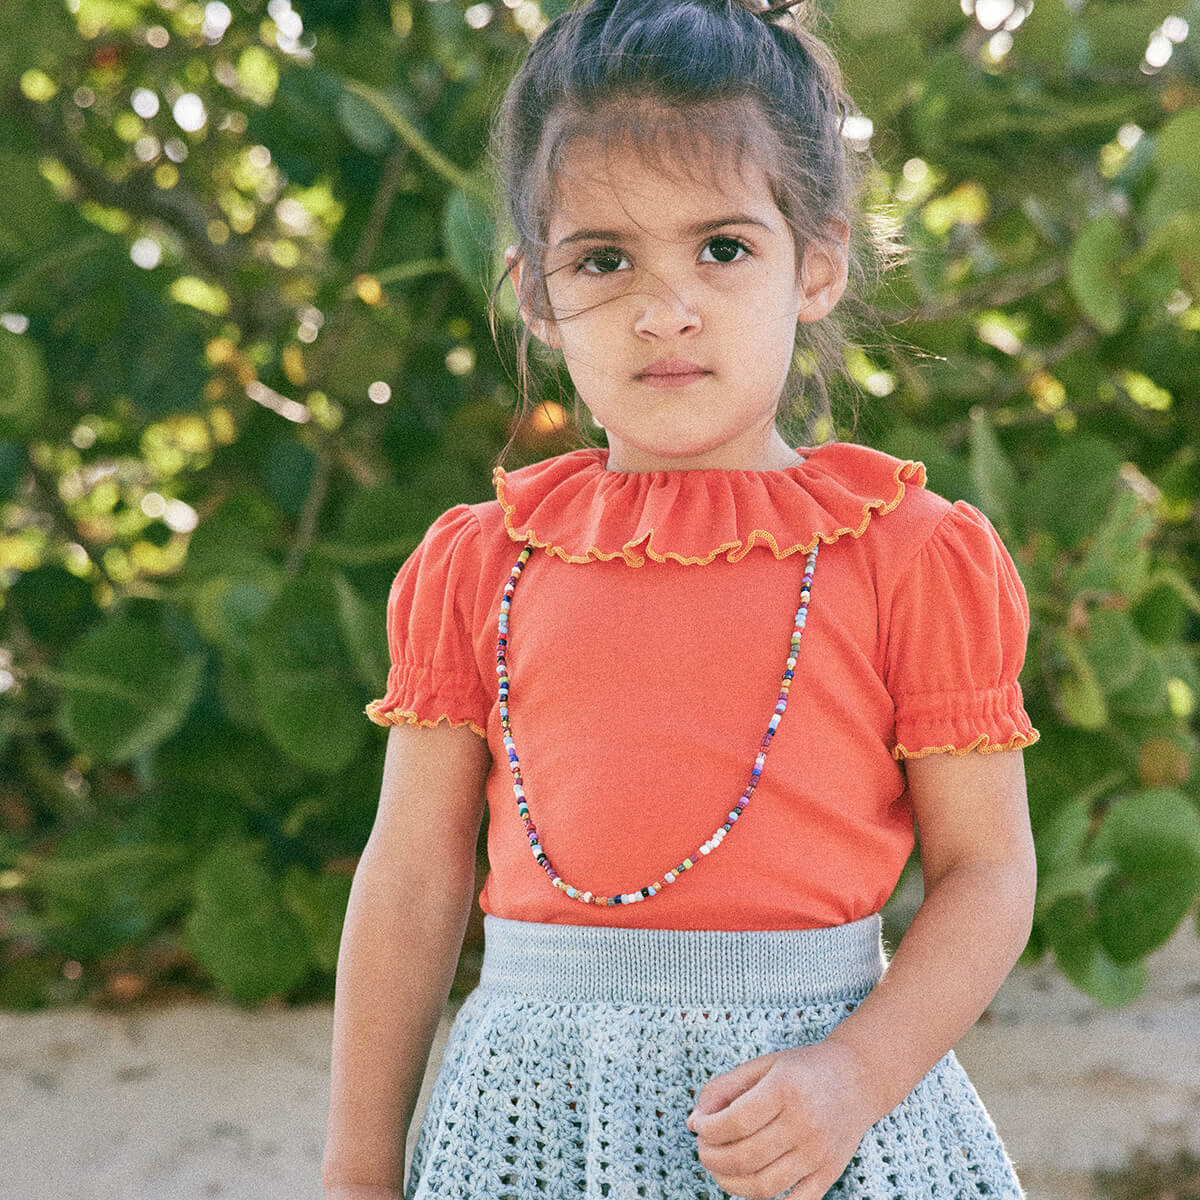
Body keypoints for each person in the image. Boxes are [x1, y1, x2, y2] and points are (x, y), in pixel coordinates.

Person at [322, 1, 1040, 1197]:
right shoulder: (481, 565)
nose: (665, 310)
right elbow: (409, 880)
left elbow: (989, 874)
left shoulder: (910, 557)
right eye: (604, 260)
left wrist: (854, 1077)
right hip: (530, 1124)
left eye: (722, 248)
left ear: (817, 263)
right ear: (536, 294)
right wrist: (357, 1169)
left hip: (813, 1125)